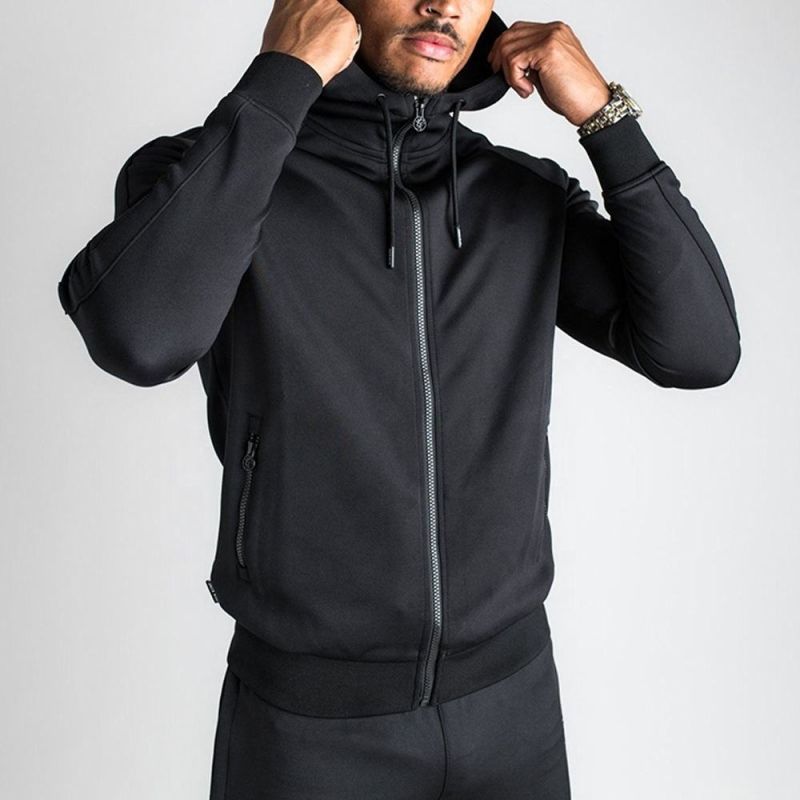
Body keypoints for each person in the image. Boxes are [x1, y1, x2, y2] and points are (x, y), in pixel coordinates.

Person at [56, 1, 741, 797]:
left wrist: (606, 120)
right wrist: (280, 82)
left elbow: (700, 350)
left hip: (514, 712)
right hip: (310, 730)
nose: (443, 6)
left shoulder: (522, 195)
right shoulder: (219, 174)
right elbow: (139, 339)